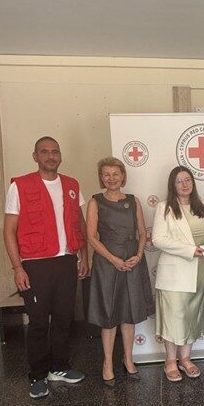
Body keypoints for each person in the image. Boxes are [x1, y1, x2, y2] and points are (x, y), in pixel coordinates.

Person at [3, 136, 89, 399]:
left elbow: (80, 224)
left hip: (66, 261)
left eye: (55, 152)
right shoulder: (20, 186)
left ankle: (59, 367)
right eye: (45, 152)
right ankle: (38, 375)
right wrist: (17, 268)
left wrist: (84, 256)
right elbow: (9, 230)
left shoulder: (72, 185)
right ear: (35, 156)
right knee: (39, 322)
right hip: (35, 264)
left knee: (64, 318)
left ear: (60, 156)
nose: (51, 156)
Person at [86, 157, 154, 387]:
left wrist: (139, 254)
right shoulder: (95, 202)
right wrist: (113, 259)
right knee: (109, 314)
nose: (111, 178)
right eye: (106, 174)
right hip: (107, 263)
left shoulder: (133, 201)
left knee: (129, 311)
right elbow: (91, 237)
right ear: (101, 177)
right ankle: (107, 363)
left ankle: (128, 359)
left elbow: (142, 233)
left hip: (132, 261)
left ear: (123, 176)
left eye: (115, 174)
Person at [152, 166, 204, 382]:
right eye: (179, 181)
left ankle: (185, 359)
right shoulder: (165, 207)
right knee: (173, 318)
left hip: (199, 272)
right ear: (173, 185)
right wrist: (190, 250)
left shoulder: (201, 207)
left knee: (192, 316)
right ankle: (170, 361)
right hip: (175, 275)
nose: (185, 184)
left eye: (188, 180)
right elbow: (158, 239)